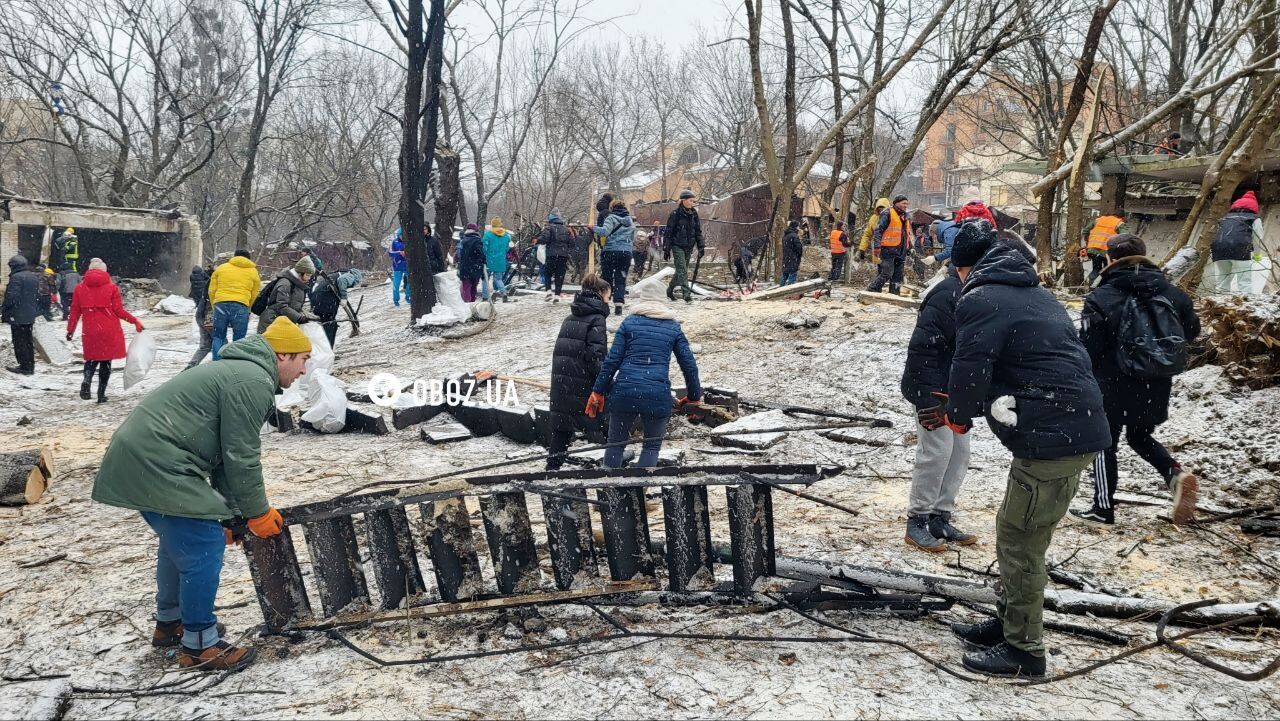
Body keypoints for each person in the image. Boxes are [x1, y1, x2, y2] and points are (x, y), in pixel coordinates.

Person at [938, 224, 1111, 678]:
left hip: (1055, 437)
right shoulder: (1033, 293)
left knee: (1021, 542)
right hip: (1069, 429)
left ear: (963, 267)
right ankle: (1007, 622)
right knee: (1015, 531)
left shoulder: (981, 297)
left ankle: (1024, 651)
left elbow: (970, 361)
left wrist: (960, 412)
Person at [92, 317, 310, 673]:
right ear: (283, 354)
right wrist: (256, 514)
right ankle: (199, 645)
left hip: (146, 456)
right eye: (303, 359)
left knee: (181, 542)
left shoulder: (239, 372)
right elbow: (241, 455)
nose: (304, 370)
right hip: (158, 460)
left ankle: (170, 624)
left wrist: (231, 515)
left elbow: (224, 459)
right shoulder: (252, 379)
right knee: (201, 544)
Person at [1071, 234, 1201, 526]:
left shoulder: (1101, 297)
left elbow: (1089, 348)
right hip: (1156, 380)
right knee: (1139, 436)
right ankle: (1175, 474)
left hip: (1112, 382)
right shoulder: (1172, 293)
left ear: (1110, 259)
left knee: (1105, 443)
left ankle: (1102, 507)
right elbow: (1190, 333)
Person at [900, 238, 973, 552]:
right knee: (936, 453)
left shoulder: (975, 294)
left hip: (958, 392)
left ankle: (940, 516)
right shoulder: (945, 296)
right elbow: (922, 350)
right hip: (934, 390)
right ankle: (917, 519)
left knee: (959, 454)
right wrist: (927, 396)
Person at [589, 276, 701, 469]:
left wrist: (598, 390)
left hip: (625, 391)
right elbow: (689, 364)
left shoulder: (629, 323)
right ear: (662, 299)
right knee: (652, 447)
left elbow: (612, 361)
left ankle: (611, 488)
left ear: (643, 299)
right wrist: (693, 397)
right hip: (657, 394)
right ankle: (642, 488)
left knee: (615, 443)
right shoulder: (673, 327)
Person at [547, 274, 611, 470]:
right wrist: (604, 383)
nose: (609, 299)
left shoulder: (570, 316)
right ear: (600, 294)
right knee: (610, 423)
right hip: (582, 381)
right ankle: (616, 464)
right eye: (608, 295)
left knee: (562, 427)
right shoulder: (597, 318)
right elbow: (596, 355)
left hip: (562, 381)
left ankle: (552, 469)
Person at [65, 258, 145, 402]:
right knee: (105, 362)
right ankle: (101, 395)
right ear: (104, 271)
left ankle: (87, 381)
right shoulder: (112, 288)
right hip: (109, 329)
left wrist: (70, 330)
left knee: (91, 359)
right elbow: (119, 311)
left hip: (90, 329)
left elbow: (75, 312)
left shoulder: (80, 288)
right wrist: (135, 321)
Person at [1204, 190, 1262, 294]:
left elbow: (1216, 234)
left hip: (1219, 250)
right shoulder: (1254, 219)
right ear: (1254, 207)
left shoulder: (1224, 219)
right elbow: (1257, 239)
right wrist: (1257, 254)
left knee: (1222, 282)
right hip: (1240, 250)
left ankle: (1220, 306)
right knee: (1244, 282)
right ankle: (1247, 306)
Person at [208, 251, 261, 360]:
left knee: (218, 337)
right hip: (241, 306)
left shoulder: (221, 268)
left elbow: (211, 290)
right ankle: (234, 363)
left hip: (221, 304)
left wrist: (215, 306)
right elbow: (255, 293)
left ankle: (217, 364)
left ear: (234, 257)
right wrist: (248, 309)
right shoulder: (253, 272)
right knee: (239, 339)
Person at [595, 199, 637, 316]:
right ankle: (618, 303)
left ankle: (605, 302)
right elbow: (632, 238)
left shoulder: (611, 218)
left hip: (610, 251)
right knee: (621, 277)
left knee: (607, 278)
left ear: (612, 208)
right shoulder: (630, 221)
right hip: (625, 252)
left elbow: (604, 232)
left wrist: (592, 228)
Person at [664, 189, 705, 303]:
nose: (693, 203)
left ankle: (670, 289)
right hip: (677, 245)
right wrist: (666, 248)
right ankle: (686, 295)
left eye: (693, 201)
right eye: (691, 200)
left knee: (680, 271)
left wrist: (701, 246)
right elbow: (668, 232)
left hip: (689, 246)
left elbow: (698, 231)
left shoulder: (694, 214)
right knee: (682, 270)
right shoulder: (675, 214)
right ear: (683, 201)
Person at [2, 254, 40, 375]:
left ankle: (24, 366)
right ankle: (30, 365)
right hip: (29, 314)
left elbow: (12, 297)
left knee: (19, 341)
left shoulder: (16, 277)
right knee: (28, 341)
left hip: (18, 314)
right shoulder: (32, 276)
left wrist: (4, 308)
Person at [867, 195, 912, 295]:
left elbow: (906, 234)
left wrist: (909, 247)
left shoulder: (906, 216)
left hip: (901, 250)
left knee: (898, 276)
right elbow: (878, 231)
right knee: (887, 273)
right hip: (888, 249)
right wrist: (877, 246)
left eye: (907, 203)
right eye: (903, 203)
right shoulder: (887, 213)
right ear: (896, 203)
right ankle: (872, 289)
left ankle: (894, 294)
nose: (906, 205)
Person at [256, 256, 315, 332]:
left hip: (281, 322)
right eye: (307, 275)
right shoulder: (285, 283)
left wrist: (303, 315)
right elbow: (281, 306)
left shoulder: (297, 284)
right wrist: (299, 317)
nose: (309, 278)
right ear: (300, 273)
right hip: (272, 321)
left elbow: (294, 304)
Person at [311, 268, 362, 348]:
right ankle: (327, 352)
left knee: (324, 325)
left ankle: (323, 351)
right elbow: (342, 280)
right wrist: (344, 297)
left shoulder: (336, 274)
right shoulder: (352, 276)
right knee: (330, 325)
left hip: (317, 298)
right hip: (326, 299)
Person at [537, 211, 575, 301]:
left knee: (547, 273)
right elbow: (572, 243)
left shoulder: (549, 228)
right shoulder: (566, 229)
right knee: (560, 275)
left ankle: (549, 292)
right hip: (563, 256)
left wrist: (538, 240)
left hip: (551, 255)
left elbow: (543, 239)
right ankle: (557, 295)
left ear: (551, 219)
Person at [1083, 211, 1126, 284]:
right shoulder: (1119, 223)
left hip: (1093, 249)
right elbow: (1125, 236)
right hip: (1107, 252)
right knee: (1108, 270)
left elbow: (1085, 231)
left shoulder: (1098, 220)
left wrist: (1088, 241)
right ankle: (1102, 287)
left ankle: (1089, 282)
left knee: (1096, 269)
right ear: (1122, 217)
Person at [186, 265, 213, 370]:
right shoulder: (209, 284)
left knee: (205, 346)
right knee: (221, 342)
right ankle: (219, 366)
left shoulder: (194, 285)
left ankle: (192, 365)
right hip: (209, 314)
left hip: (200, 315)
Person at [482, 218, 512, 302]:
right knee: (498, 279)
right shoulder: (506, 236)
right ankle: (504, 292)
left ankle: (485, 297)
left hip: (489, 260)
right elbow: (507, 248)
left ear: (492, 225)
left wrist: (484, 255)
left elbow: (484, 247)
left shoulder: (488, 235)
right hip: (500, 260)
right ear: (500, 224)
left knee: (485, 278)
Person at [388, 228, 408, 307]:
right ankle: (396, 300)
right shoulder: (394, 242)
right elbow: (390, 253)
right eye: (401, 235)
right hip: (397, 267)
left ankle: (408, 296)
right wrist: (399, 253)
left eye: (404, 235)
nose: (402, 237)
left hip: (407, 266)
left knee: (409, 283)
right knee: (396, 284)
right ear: (398, 235)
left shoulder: (408, 242)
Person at [780, 220, 803, 286]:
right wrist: (798, 255)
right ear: (795, 227)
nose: (799, 228)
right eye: (798, 226)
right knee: (792, 275)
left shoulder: (785, 235)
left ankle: (780, 289)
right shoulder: (794, 236)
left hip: (786, 258)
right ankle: (790, 291)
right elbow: (798, 248)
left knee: (785, 275)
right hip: (793, 258)